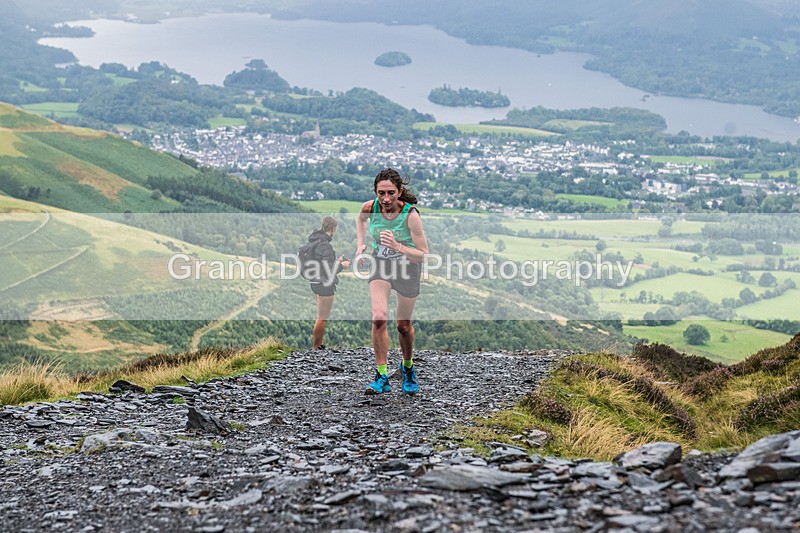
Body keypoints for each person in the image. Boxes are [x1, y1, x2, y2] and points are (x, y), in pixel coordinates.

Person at [356, 168, 428, 395]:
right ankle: (381, 375)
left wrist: (398, 246)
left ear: (399, 192)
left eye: (390, 193)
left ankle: (407, 368)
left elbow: (423, 253)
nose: (386, 199)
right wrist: (360, 244)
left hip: (408, 267)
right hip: (381, 264)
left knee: (403, 326)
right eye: (381, 193)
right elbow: (360, 219)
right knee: (378, 318)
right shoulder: (371, 207)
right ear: (375, 192)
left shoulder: (410, 215)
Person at [305, 216, 350, 350]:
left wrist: (337, 261)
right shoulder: (326, 245)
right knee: (322, 317)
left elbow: (323, 265)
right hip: (325, 284)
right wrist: (343, 265)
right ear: (334, 229)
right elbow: (330, 271)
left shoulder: (315, 240)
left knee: (321, 316)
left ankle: (318, 344)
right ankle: (317, 346)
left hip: (315, 281)